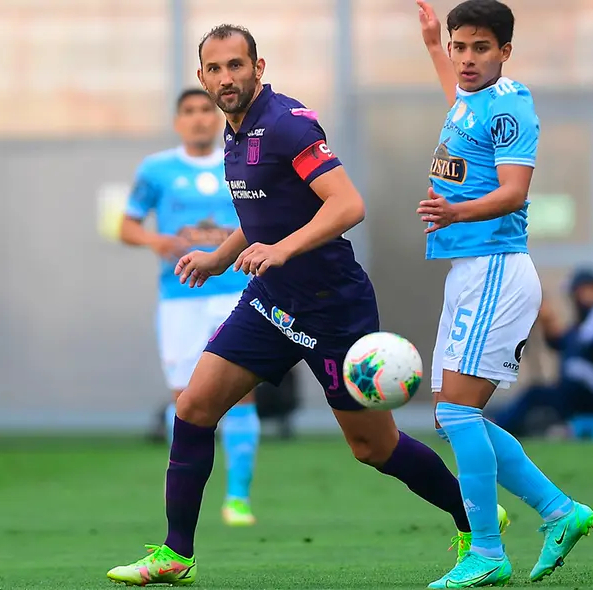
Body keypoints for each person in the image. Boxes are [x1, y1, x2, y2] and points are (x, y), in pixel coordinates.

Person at [106, 23, 507, 587]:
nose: (226, 78)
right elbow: (263, 217)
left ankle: (476, 521)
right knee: (193, 409)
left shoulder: (285, 125)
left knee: (374, 447)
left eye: (236, 66)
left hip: (332, 308)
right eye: (215, 69)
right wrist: (221, 257)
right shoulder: (234, 131)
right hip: (272, 301)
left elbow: (348, 204)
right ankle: (176, 554)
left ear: (258, 68)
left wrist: (282, 249)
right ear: (202, 77)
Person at [415, 1, 593, 586]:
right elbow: (459, 102)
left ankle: (488, 552)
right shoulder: (470, 98)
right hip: (467, 271)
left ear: (505, 52)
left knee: (458, 412)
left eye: (480, 48)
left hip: (496, 268)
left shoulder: (512, 104)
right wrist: (429, 43)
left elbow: (516, 192)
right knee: (452, 416)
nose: (466, 59)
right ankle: (560, 513)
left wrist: (454, 210)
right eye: (458, 46)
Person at [120, 88, 260, 526]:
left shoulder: (237, 162)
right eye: (190, 112)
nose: (200, 118)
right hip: (180, 297)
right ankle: (182, 498)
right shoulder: (157, 170)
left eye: (206, 110)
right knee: (185, 400)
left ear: (217, 115)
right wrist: (153, 239)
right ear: (178, 121)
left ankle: (237, 498)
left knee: (241, 393)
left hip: (236, 292)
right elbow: (126, 224)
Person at [491, 268, 593, 438]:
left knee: (566, 372)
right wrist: (546, 321)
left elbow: (579, 344)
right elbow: (562, 343)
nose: (575, 298)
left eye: (578, 292)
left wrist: (551, 320)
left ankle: (499, 427)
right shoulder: (592, 316)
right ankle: (502, 425)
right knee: (538, 393)